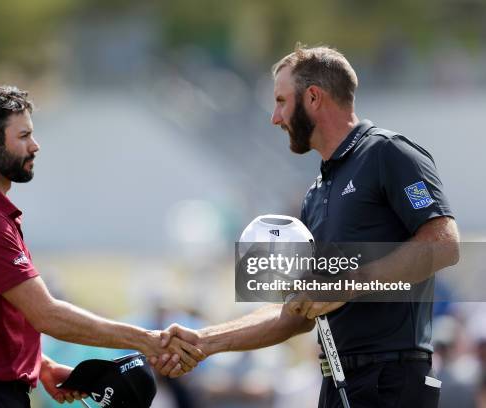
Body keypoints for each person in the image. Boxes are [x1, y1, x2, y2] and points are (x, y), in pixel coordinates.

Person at [153, 44, 460, 408]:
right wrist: (205, 341)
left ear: (313, 97)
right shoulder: (315, 193)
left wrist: (345, 284)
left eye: (281, 101)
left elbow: (444, 244)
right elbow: (294, 313)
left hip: (393, 381)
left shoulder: (389, 153)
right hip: (335, 382)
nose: (274, 117)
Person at [0, 85, 204, 407]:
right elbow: (47, 315)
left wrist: (41, 365)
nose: (35, 146)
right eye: (23, 136)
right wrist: (145, 340)